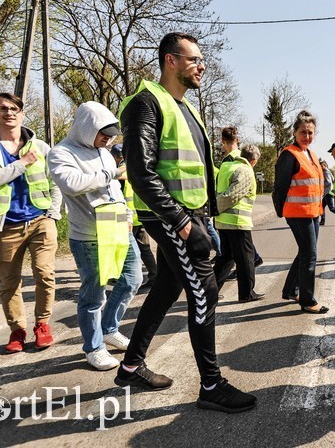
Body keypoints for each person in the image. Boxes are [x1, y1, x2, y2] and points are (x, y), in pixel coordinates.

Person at [117, 32, 256, 413]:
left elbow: (197, 170)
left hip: (192, 215)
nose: (202, 66)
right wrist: (181, 223)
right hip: (170, 216)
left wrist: (209, 214)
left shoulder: (186, 107)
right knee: (205, 293)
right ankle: (211, 386)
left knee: (165, 289)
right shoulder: (145, 103)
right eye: (194, 59)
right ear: (170, 61)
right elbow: (141, 173)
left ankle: (130, 365)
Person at [48, 102, 142, 370]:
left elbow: (113, 191)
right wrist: (112, 171)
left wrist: (126, 217)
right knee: (93, 295)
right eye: (103, 134)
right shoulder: (61, 153)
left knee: (132, 280)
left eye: (111, 135)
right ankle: (94, 346)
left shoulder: (103, 152)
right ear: (87, 128)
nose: (108, 140)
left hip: (118, 231)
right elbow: (72, 184)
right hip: (88, 236)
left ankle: (109, 328)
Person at [0, 92, 62, 353]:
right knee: (10, 281)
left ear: (22, 113)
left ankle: (42, 324)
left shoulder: (40, 147)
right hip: (6, 224)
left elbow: (55, 183)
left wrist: (53, 213)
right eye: (2, 108)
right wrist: (21, 163)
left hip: (41, 220)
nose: (9, 112)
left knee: (45, 273)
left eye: (14, 108)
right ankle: (17, 330)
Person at [273, 110, 328, 314]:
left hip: (313, 212)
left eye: (311, 132)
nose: (307, 136)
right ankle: (307, 300)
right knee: (310, 256)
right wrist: (281, 211)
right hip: (298, 213)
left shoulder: (311, 154)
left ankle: (290, 290)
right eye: (303, 132)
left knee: (305, 253)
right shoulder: (289, 154)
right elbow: (280, 187)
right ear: (295, 132)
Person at [213, 144, 264, 302]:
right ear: (253, 160)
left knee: (226, 258)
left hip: (222, 221)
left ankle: (210, 291)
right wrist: (216, 207)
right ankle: (246, 293)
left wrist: (216, 211)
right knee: (246, 258)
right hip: (237, 222)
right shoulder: (245, 170)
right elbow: (231, 195)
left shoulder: (226, 166)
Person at [112, 143, 157, 290]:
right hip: (139, 213)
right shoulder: (136, 166)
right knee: (144, 248)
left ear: (115, 157)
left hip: (126, 217)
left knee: (123, 248)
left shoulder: (121, 173)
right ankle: (154, 274)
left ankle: (123, 276)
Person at [319, 159, 335, 226]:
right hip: (327, 193)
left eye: (322, 166)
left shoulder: (326, 172)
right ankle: (322, 221)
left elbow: (328, 182)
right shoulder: (327, 172)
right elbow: (333, 180)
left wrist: (321, 184)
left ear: (325, 166)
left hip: (328, 193)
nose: (321, 167)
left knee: (331, 208)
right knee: (322, 207)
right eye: (320, 166)